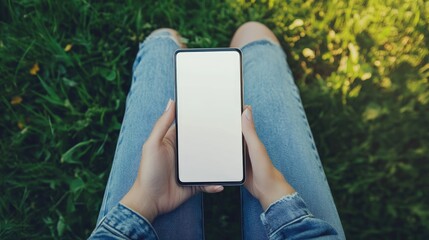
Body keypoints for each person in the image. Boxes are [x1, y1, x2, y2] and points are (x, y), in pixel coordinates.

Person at [89, 22, 345, 240]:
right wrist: (275, 192)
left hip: (146, 207)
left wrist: (146, 198)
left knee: (161, 46)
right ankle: (172, 42)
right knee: (253, 34)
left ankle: (166, 41)